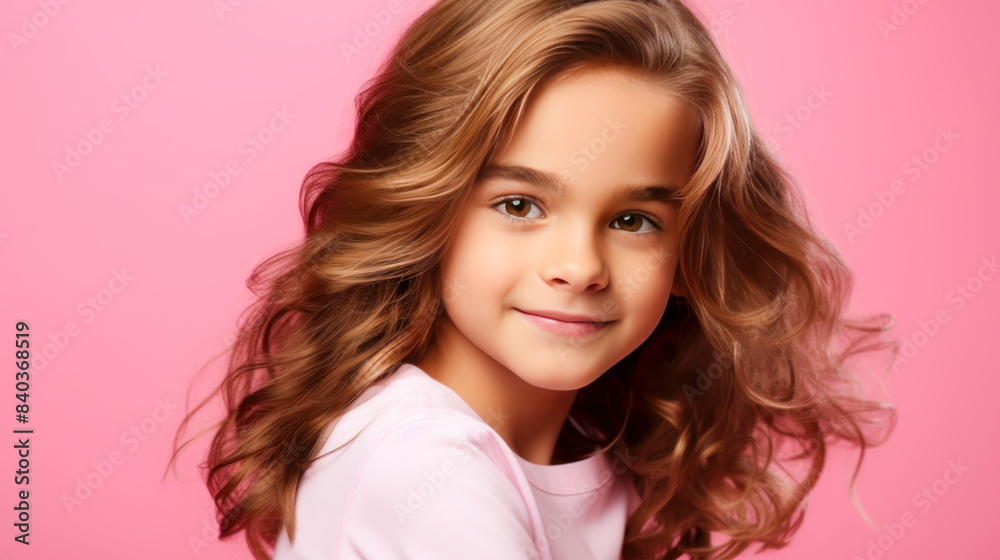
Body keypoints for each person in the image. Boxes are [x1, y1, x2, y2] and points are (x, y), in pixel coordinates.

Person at [170, 0, 897, 558]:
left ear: (691, 256)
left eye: (634, 220)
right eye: (519, 205)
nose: (579, 267)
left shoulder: (583, 449)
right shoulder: (427, 465)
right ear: (427, 211)